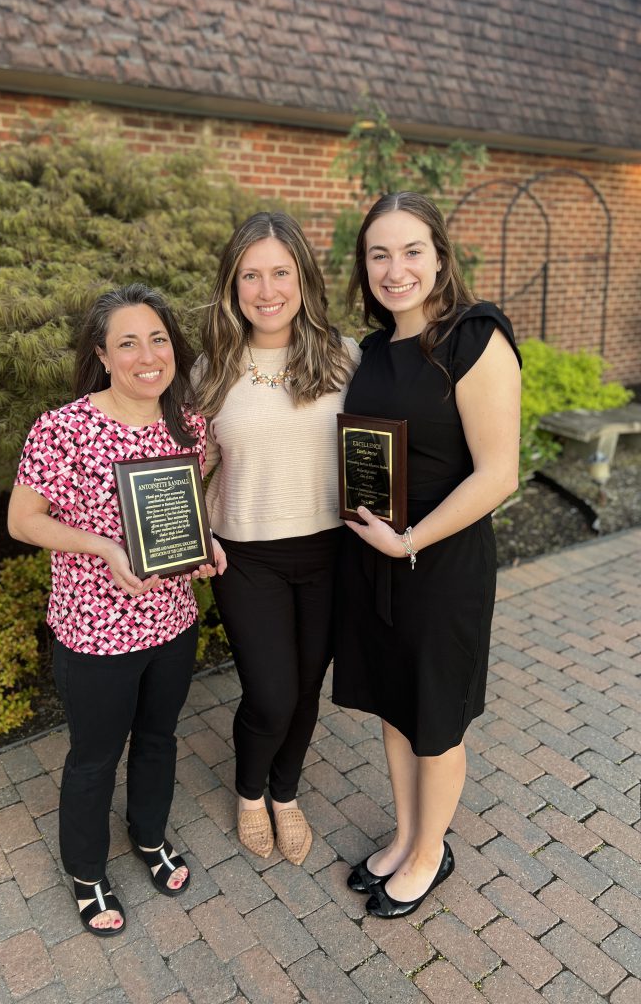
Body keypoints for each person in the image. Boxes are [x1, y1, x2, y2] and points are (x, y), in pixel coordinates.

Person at [8, 284, 226, 937]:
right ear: (103, 354)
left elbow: (186, 510)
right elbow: (22, 521)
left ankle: (149, 836)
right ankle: (86, 871)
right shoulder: (63, 429)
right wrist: (102, 546)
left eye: (157, 338)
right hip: (94, 631)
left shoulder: (189, 425)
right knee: (95, 757)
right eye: (127, 342)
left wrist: (205, 542)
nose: (146, 354)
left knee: (159, 739)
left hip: (171, 623)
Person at [332, 192, 521, 918]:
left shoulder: (476, 338)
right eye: (379, 254)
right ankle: (409, 834)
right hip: (376, 560)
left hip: (439, 566)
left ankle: (430, 855)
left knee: (435, 718)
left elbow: (497, 473)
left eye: (411, 250)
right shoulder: (373, 351)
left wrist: (410, 539)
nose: (395, 268)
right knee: (394, 705)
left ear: (441, 256)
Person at [193, 212, 360, 864]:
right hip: (245, 555)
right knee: (271, 693)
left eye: (280, 272)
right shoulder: (210, 370)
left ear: (303, 277)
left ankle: (284, 794)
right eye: (251, 275)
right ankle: (248, 789)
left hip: (330, 552)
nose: (267, 289)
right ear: (233, 286)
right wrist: (190, 533)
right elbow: (186, 469)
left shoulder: (346, 357)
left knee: (308, 689)